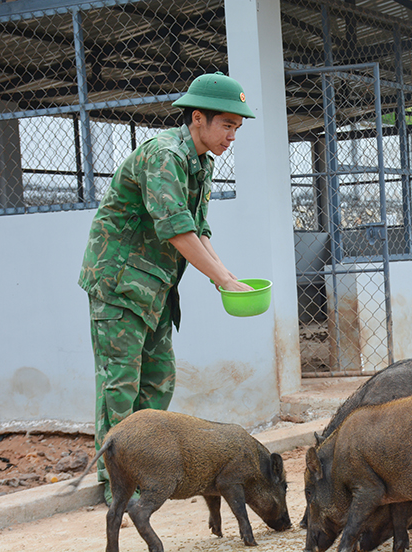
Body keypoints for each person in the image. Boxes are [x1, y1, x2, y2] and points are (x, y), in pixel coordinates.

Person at [77, 71, 254, 504]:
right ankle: (114, 483)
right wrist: (221, 277)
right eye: (227, 125)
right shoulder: (165, 155)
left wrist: (226, 277)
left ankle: (145, 472)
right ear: (198, 118)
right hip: (119, 281)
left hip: (155, 287)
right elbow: (176, 231)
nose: (232, 136)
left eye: (237, 128)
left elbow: (198, 229)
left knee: (158, 383)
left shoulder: (203, 162)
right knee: (120, 384)